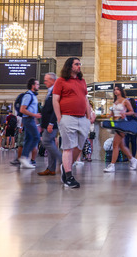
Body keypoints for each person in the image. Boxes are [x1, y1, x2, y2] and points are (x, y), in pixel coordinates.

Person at [53, 57, 96, 188]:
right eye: (76, 64)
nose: (79, 66)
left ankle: (66, 168)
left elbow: (85, 99)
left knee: (79, 146)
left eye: (79, 64)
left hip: (83, 119)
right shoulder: (61, 81)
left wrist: (89, 116)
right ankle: (68, 176)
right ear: (69, 66)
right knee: (68, 147)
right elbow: (55, 100)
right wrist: (59, 117)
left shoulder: (82, 81)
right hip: (67, 117)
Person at [104, 86, 137, 173]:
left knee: (115, 144)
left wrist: (125, 113)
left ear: (120, 91)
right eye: (114, 90)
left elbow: (132, 112)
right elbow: (112, 113)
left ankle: (112, 165)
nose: (116, 91)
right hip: (116, 124)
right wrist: (109, 116)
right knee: (121, 145)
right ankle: (132, 160)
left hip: (122, 123)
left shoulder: (125, 101)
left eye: (117, 89)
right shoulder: (115, 101)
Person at [38, 73, 63, 176]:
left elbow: (55, 109)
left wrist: (51, 123)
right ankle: (51, 168)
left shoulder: (55, 91)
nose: (44, 82)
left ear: (53, 80)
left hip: (51, 124)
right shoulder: (50, 91)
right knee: (50, 144)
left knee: (46, 142)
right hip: (47, 124)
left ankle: (62, 160)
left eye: (46, 80)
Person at [17, 78, 42, 169]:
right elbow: (22, 109)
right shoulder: (28, 95)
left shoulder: (33, 96)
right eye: (37, 84)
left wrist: (36, 122)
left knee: (28, 139)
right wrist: (34, 115)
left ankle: (24, 161)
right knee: (36, 137)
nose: (39, 86)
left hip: (30, 120)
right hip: (28, 119)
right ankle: (24, 157)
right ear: (33, 85)